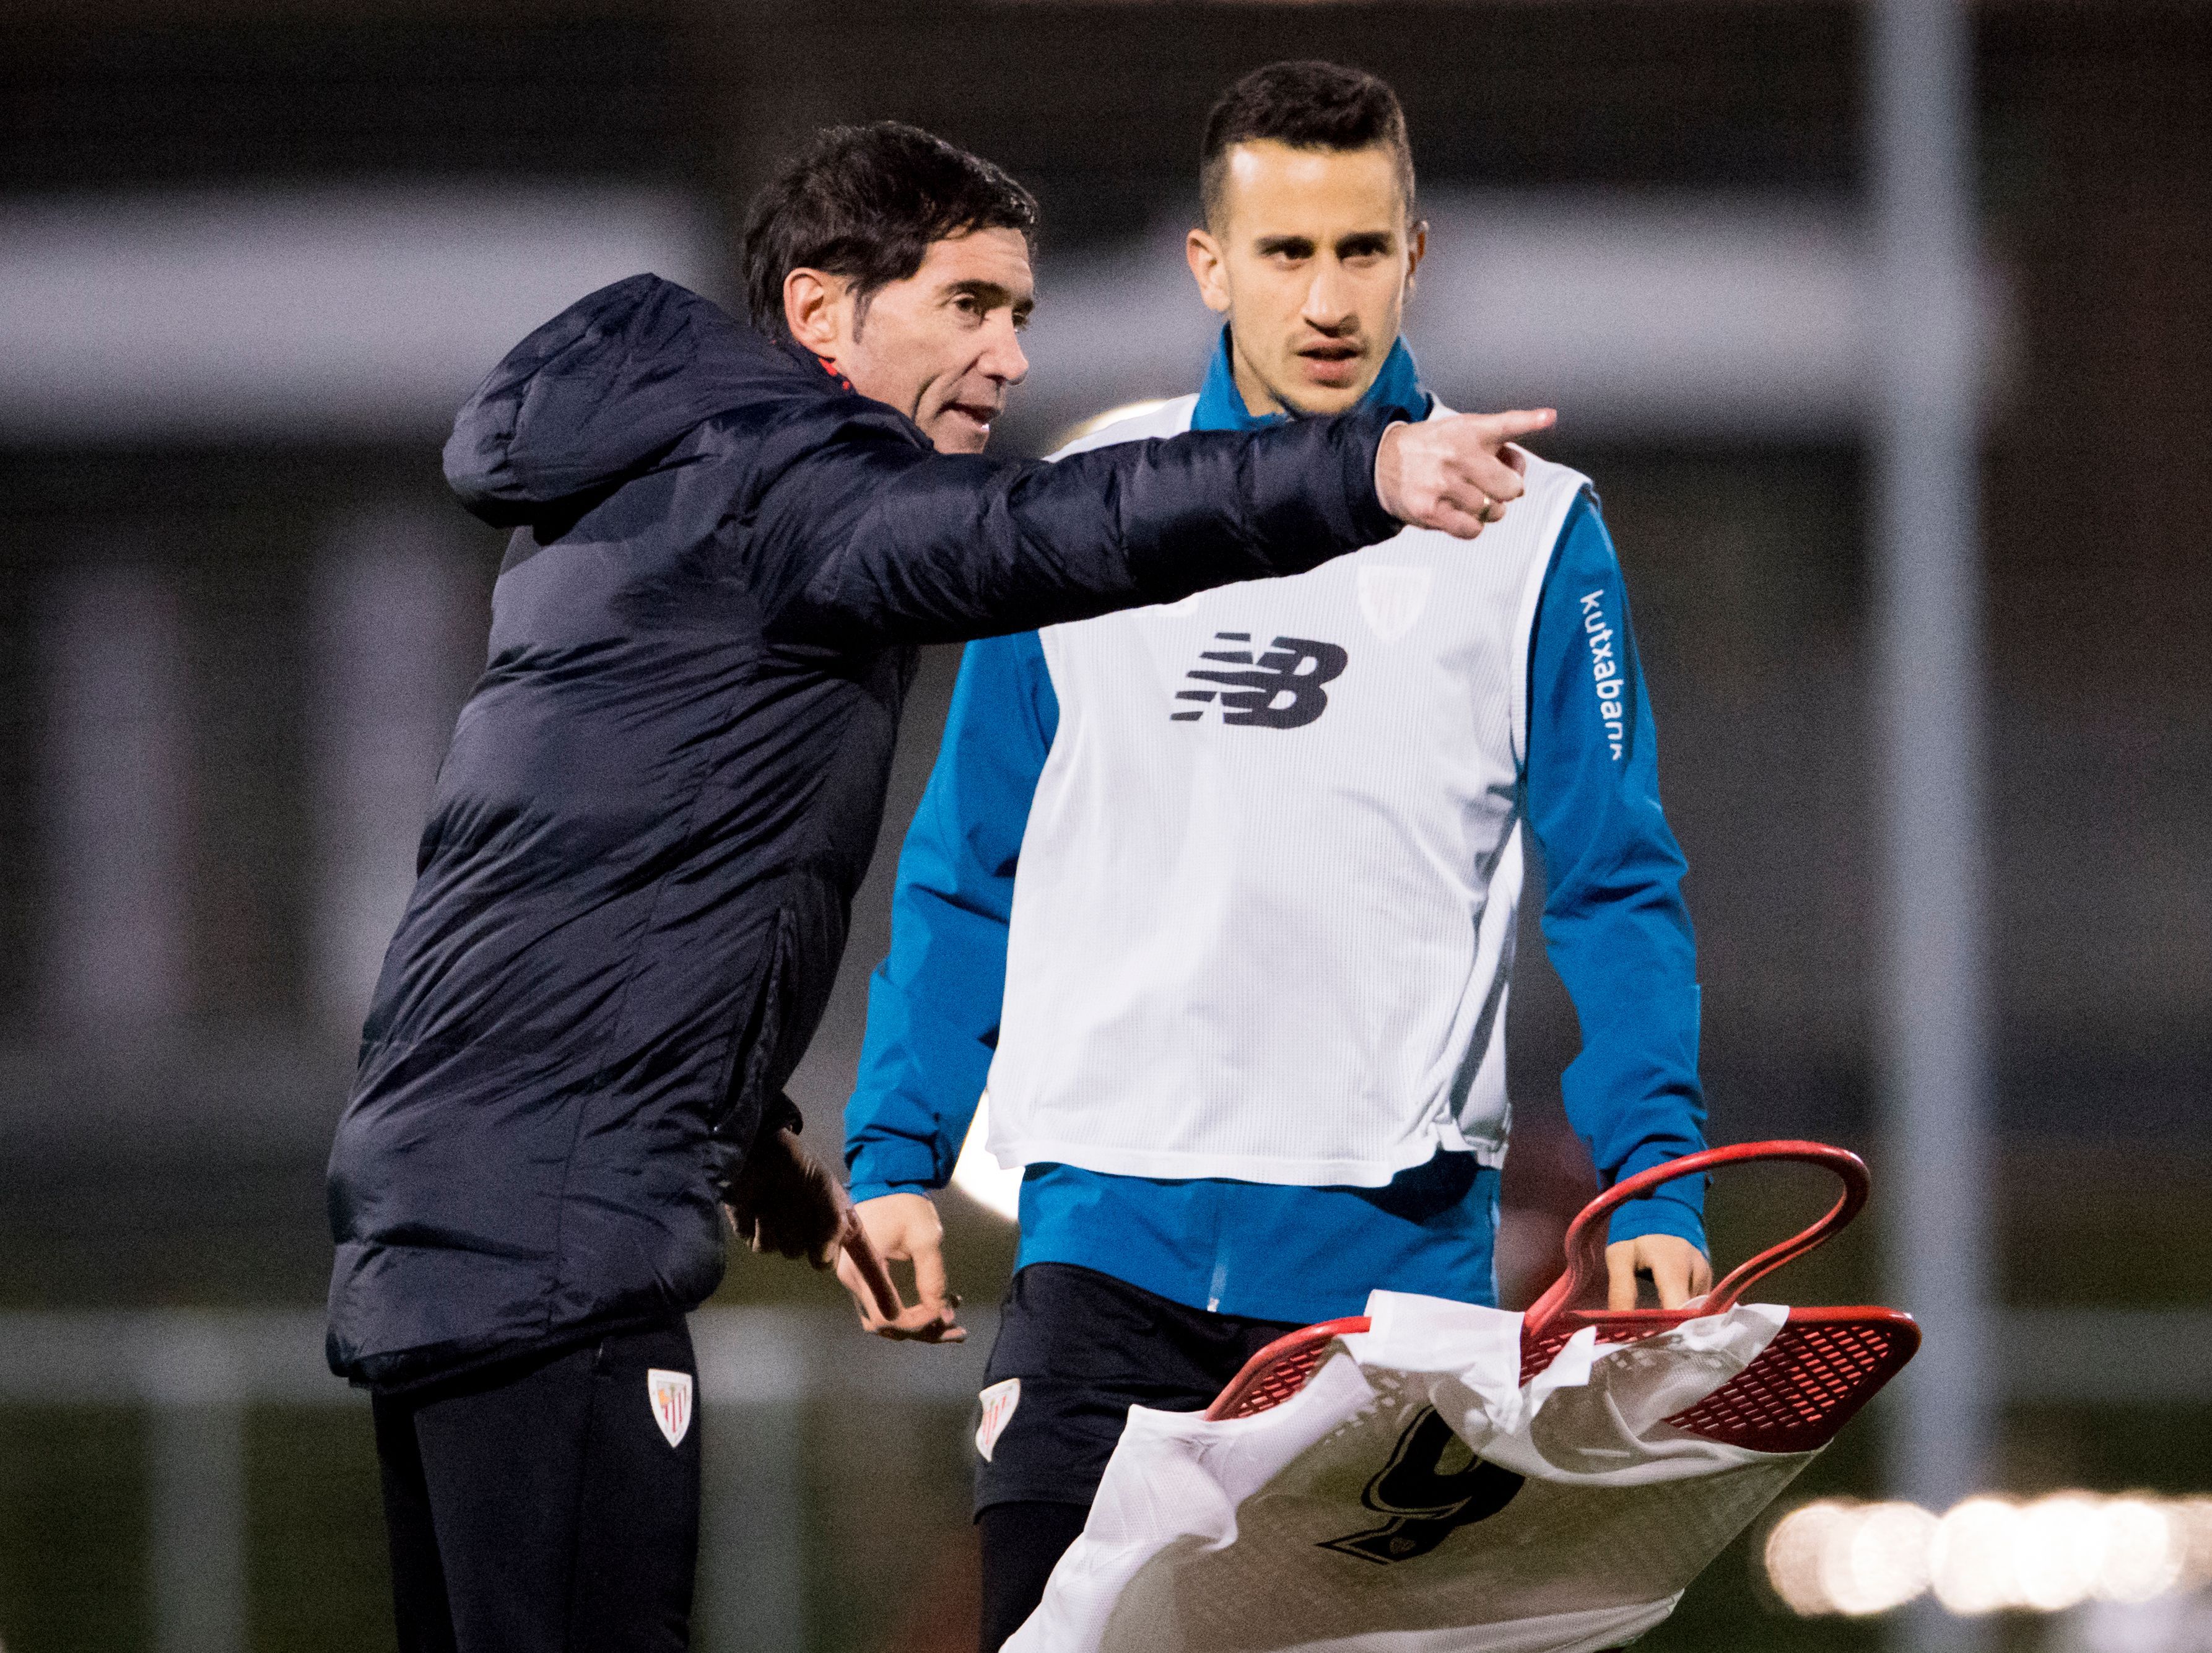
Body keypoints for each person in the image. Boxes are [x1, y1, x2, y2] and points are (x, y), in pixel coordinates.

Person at [323, 119, 1551, 1653]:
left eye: (1021, 313)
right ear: (825, 316)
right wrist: (1357, 466)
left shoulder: (646, 488)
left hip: (457, 1202)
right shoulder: (798, 485)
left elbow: (596, 875)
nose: (1009, 356)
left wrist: (744, 1130)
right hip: (557, 1243)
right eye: (968, 305)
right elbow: (1057, 530)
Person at [837, 65, 1711, 1653]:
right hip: (1099, 1259)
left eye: (1360, 251)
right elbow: (970, 861)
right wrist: (898, 1148)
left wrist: (1652, 1174)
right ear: (1208, 263)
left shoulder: (1536, 537)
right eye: (1286, 252)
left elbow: (1613, 883)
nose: (1324, 297)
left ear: (1414, 259)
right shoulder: (1088, 508)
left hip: (1382, 1294)